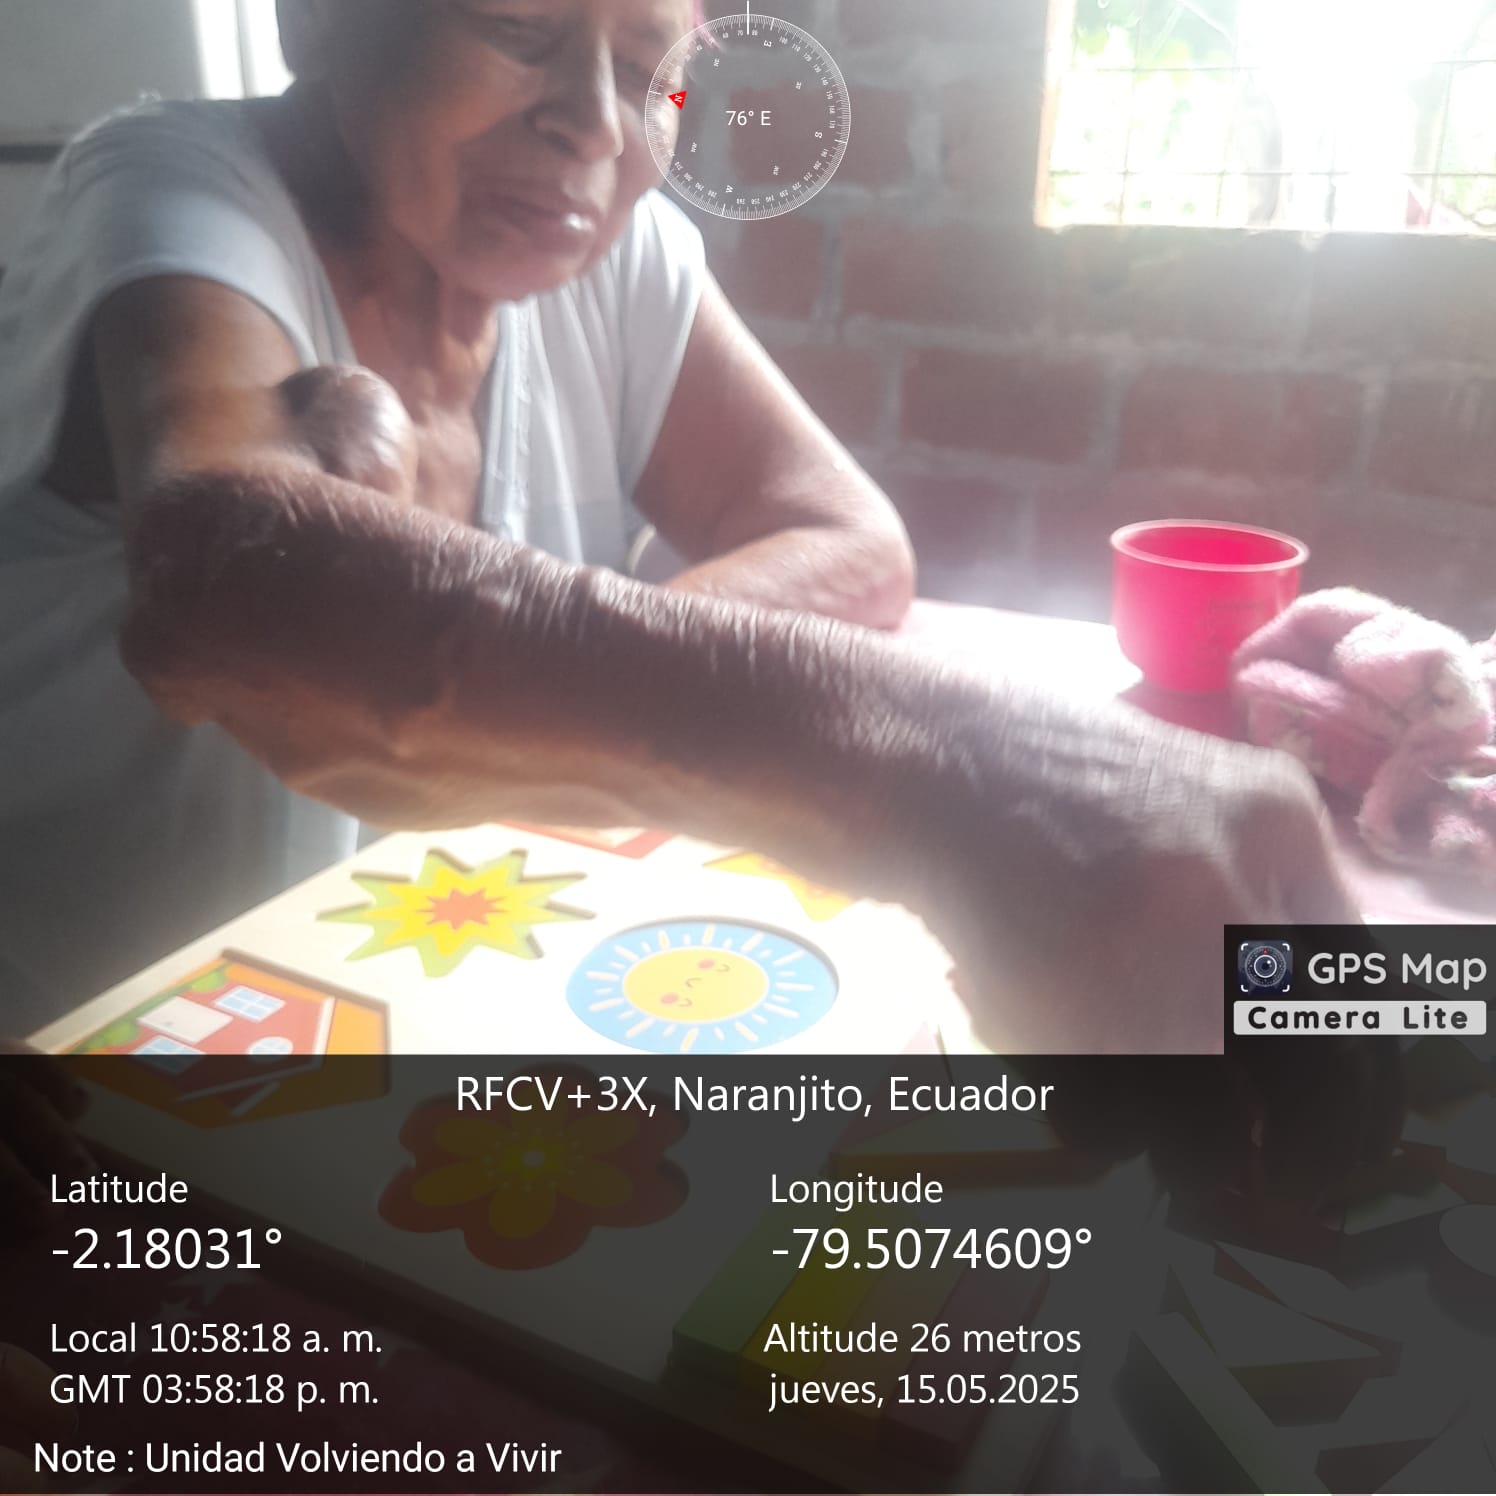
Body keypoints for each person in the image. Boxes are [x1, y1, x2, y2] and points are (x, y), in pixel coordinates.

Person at [0, 1, 1376, 1122]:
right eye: (521, 32)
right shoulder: (177, 187)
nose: (597, 125)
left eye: (650, 71)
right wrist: (940, 768)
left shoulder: (613, 256)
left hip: (387, 1019)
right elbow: (230, 588)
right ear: (317, 17)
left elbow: (850, 545)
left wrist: (517, 709)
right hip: (92, 1059)